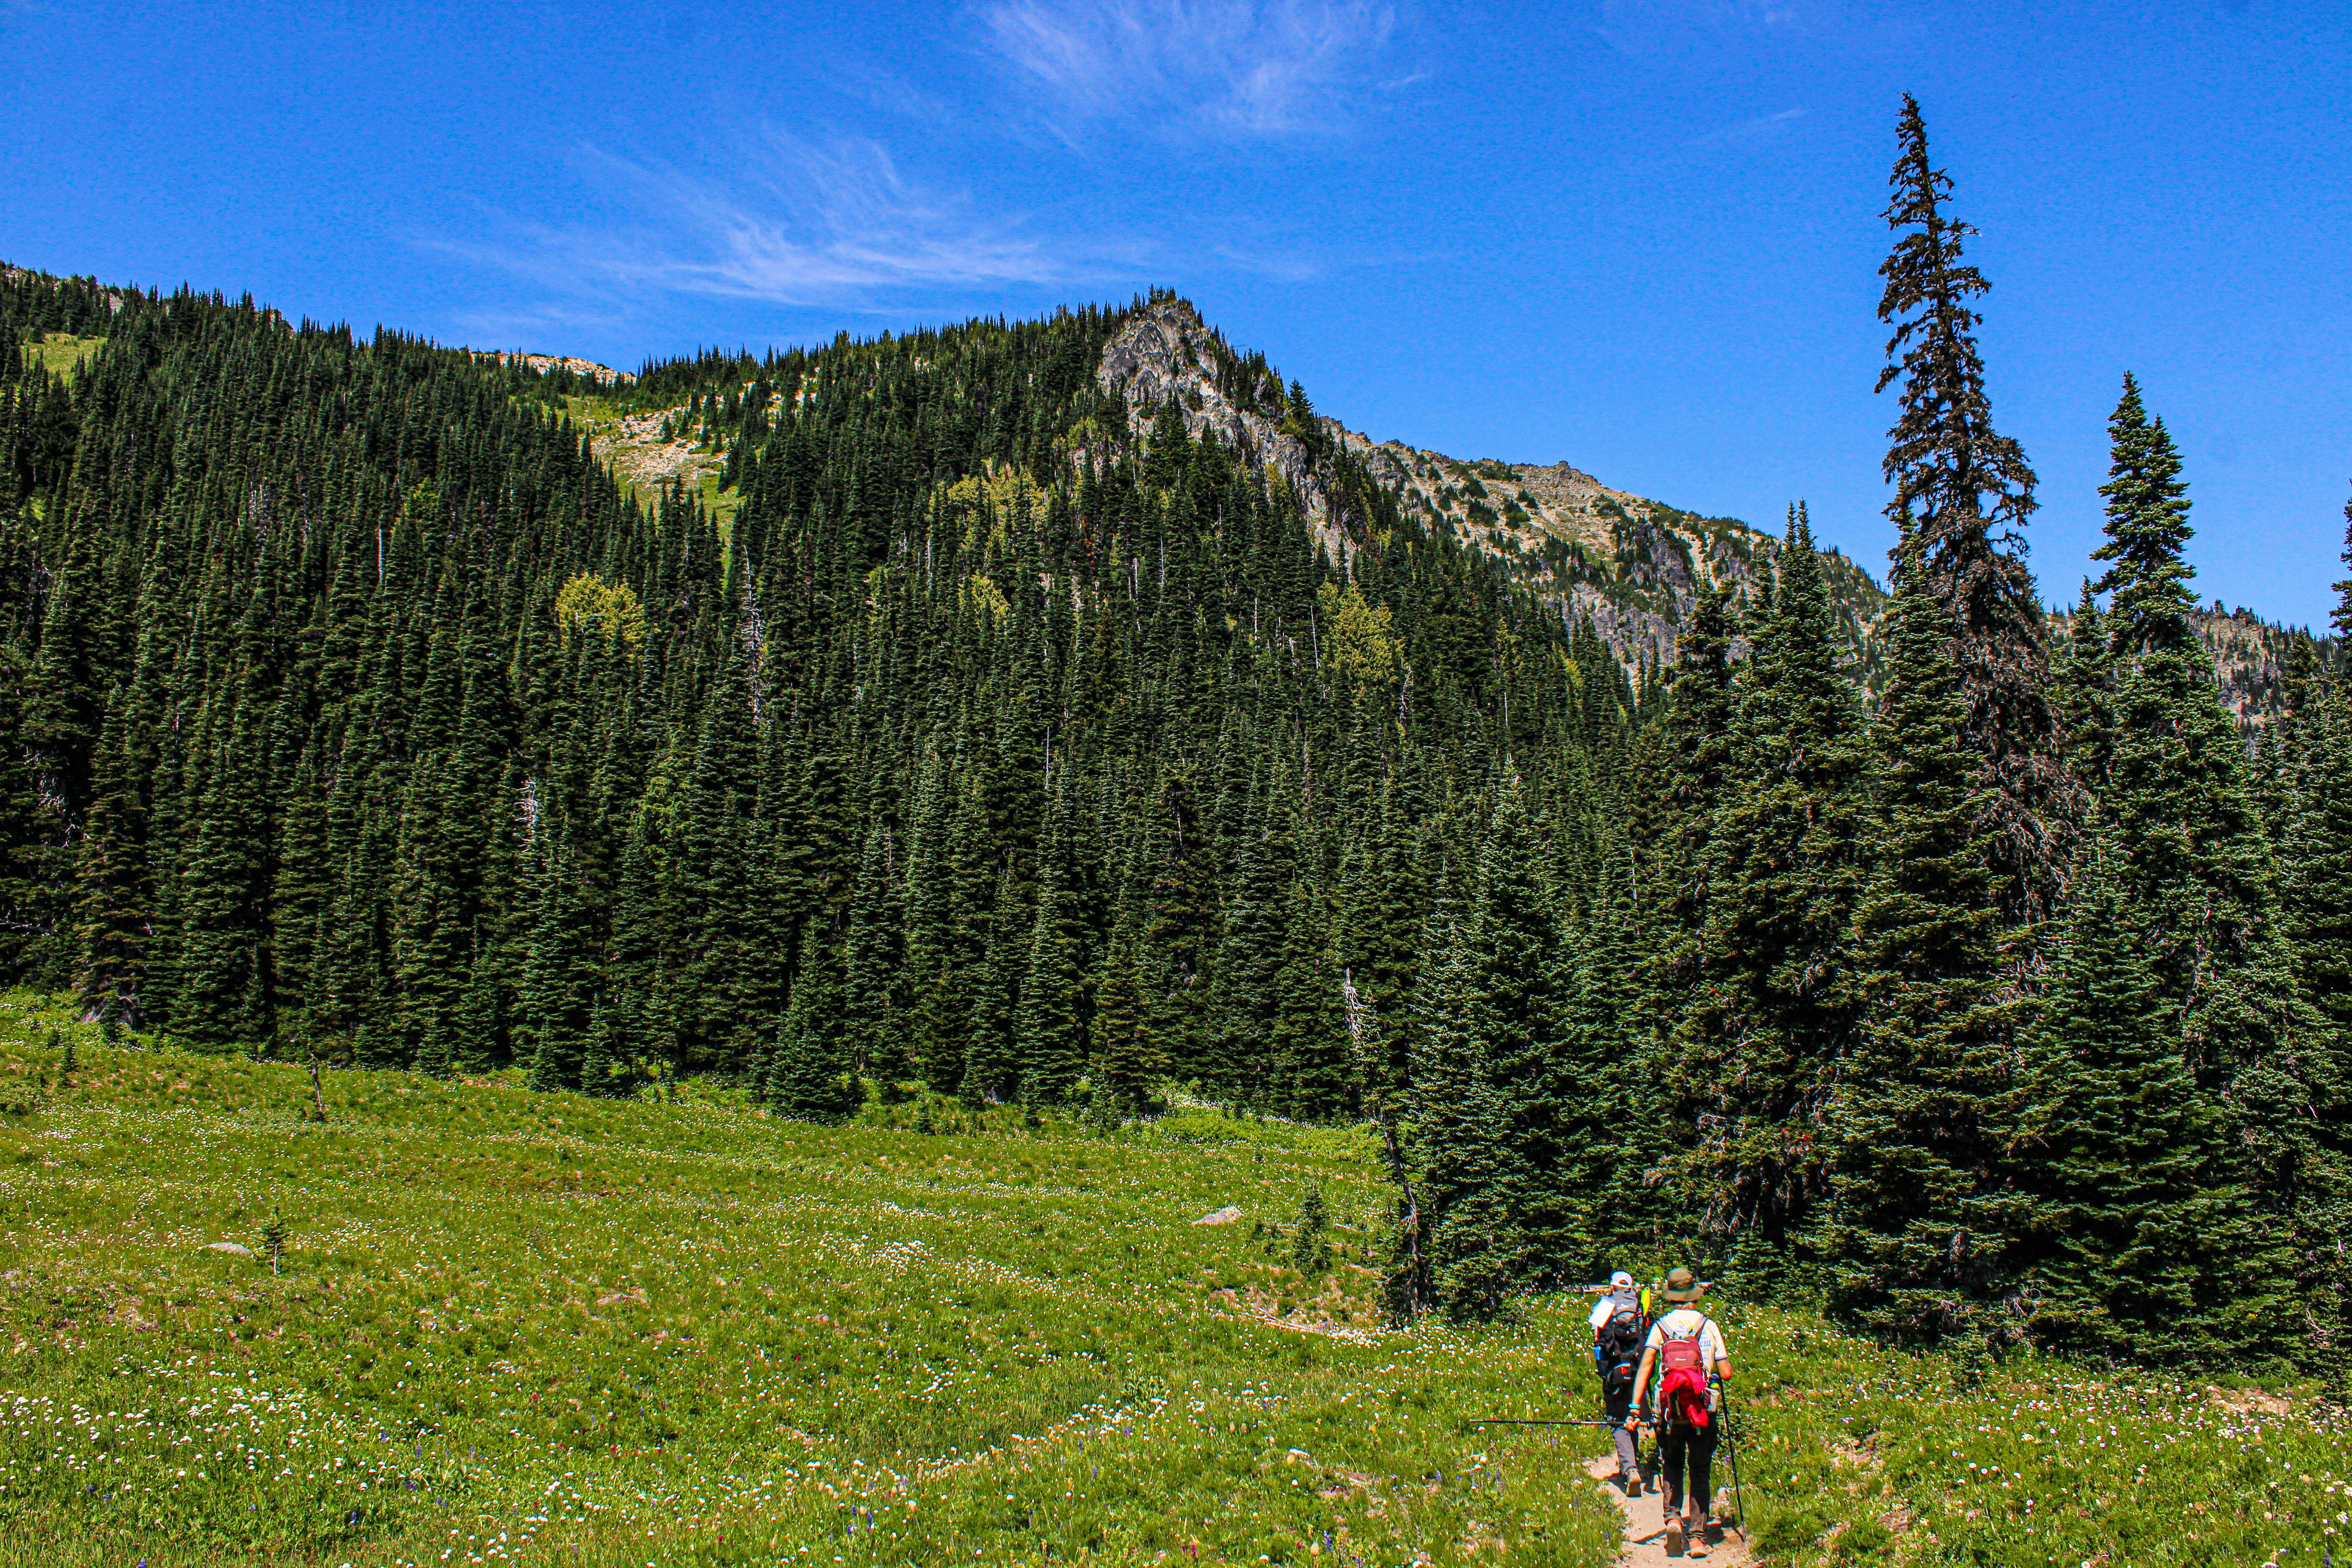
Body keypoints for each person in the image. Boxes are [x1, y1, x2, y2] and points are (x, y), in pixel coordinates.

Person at [1632, 1267, 1731, 1557]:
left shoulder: (1661, 1327)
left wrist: (1635, 1409)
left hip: (1669, 1410)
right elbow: (1726, 1373)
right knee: (1700, 1470)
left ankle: (1673, 1520)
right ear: (1693, 1295)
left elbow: (1646, 1369)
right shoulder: (1708, 1326)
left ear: (1671, 1295)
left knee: (1672, 1465)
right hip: (1702, 1410)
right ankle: (1698, 1538)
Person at [1588, 1270, 1649, 1494]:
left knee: (1617, 1419)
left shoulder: (1605, 1304)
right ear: (1630, 1285)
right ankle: (1637, 1465)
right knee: (1634, 1415)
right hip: (1637, 1370)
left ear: (1612, 1286)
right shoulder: (1640, 1304)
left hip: (1614, 1370)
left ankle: (1630, 1468)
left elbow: (1597, 1338)